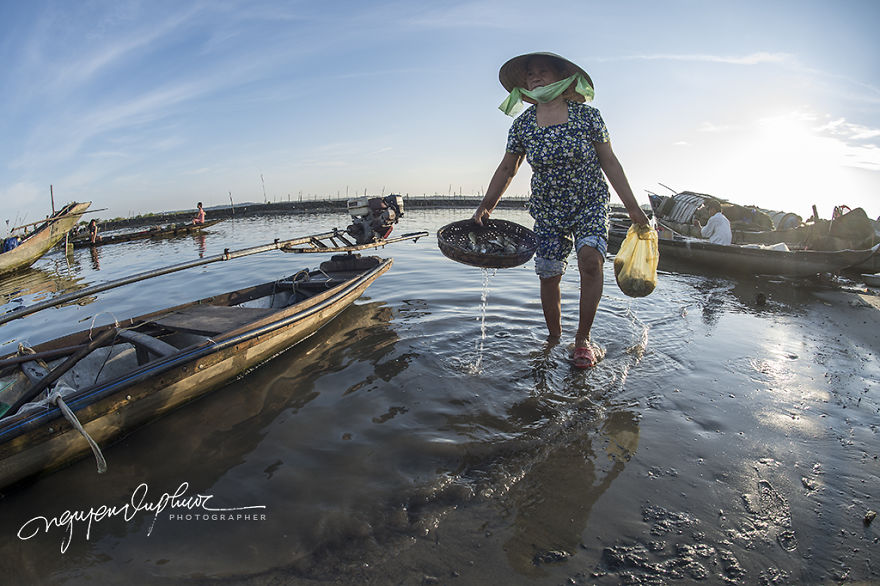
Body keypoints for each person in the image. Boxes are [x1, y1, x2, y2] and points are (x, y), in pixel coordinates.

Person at [473, 52, 649, 369]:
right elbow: (507, 169)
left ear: (563, 78)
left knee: (591, 261)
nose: (535, 77)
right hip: (548, 210)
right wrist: (486, 206)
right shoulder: (523, 124)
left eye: (543, 71)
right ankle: (553, 339)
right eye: (530, 75)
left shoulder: (588, 117)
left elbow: (610, 161)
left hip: (589, 202)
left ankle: (582, 340)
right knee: (549, 276)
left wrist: (634, 209)